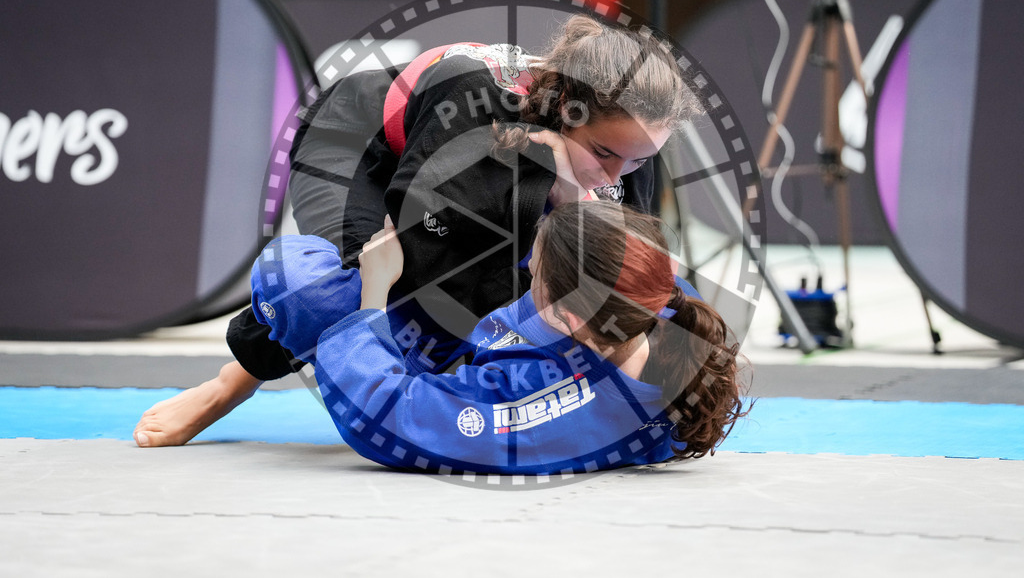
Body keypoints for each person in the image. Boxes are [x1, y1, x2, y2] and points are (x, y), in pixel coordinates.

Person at [134, 14, 703, 447]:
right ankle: (232, 382)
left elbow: (625, 277)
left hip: (484, 176)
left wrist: (653, 372)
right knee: (367, 288)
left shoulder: (627, 147)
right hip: (357, 151)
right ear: (567, 113)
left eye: (636, 161)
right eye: (604, 154)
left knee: (548, 270)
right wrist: (546, 184)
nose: (618, 175)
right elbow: (420, 236)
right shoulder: (474, 96)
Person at [137, 201, 749, 476]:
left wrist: (374, 294)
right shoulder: (656, 312)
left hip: (441, 376)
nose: (528, 273)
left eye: (535, 275)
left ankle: (232, 382)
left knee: (299, 284)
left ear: (566, 319)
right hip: (505, 340)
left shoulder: (540, 400)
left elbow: (393, 416)